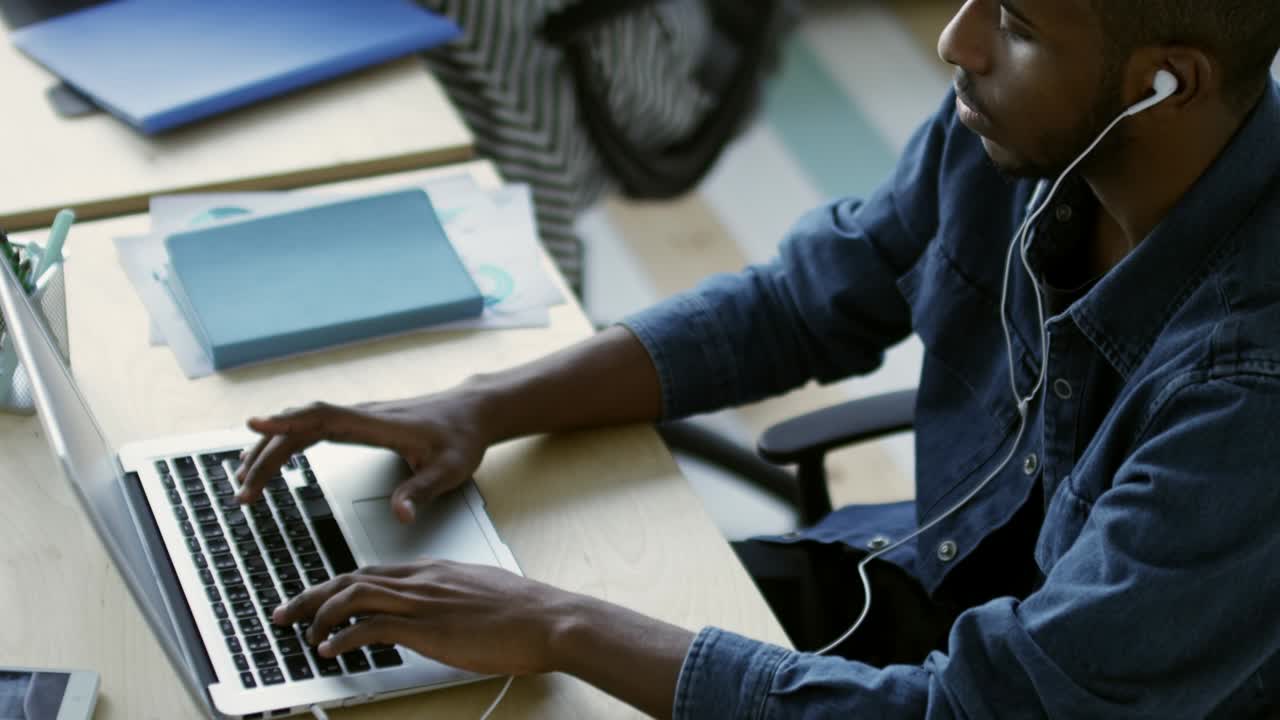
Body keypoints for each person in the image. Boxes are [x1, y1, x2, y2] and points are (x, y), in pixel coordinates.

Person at [236, 1, 1280, 717]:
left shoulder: (1244, 399)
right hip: (926, 599)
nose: (955, 43)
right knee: (436, 639)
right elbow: (795, 304)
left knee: (547, 630)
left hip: (1023, 693)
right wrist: (477, 405)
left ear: (1163, 83)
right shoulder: (1029, 132)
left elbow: (987, 707)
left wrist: (562, 626)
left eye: (1012, 24)